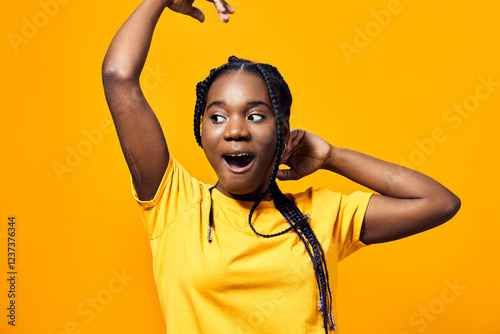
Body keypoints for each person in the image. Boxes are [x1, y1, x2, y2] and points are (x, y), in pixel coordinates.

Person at [102, 0, 461, 333]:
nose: (236, 130)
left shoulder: (321, 214)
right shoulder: (174, 205)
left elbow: (438, 202)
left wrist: (332, 157)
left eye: (255, 116)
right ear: (202, 130)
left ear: (283, 135)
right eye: (218, 116)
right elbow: (119, 77)